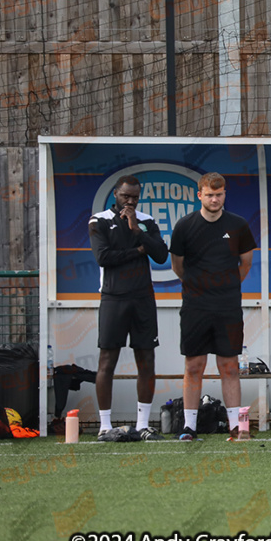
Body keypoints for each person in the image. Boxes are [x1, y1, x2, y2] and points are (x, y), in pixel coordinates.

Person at [170, 172, 256, 441]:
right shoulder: (184, 226)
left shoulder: (239, 225)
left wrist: (225, 287)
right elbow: (178, 266)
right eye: (209, 194)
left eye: (219, 194)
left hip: (228, 306)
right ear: (199, 195)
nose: (215, 199)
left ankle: (235, 426)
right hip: (195, 305)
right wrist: (200, 287)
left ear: (225, 194)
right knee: (194, 365)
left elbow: (246, 264)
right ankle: (189, 427)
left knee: (229, 365)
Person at [88, 175, 169, 441]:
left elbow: (161, 255)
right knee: (107, 361)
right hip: (113, 297)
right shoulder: (99, 220)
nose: (130, 201)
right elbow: (104, 257)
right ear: (115, 194)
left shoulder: (146, 221)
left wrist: (138, 232)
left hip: (143, 298)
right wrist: (138, 250)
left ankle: (143, 424)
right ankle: (104, 426)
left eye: (135, 196)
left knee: (146, 360)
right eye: (126, 196)